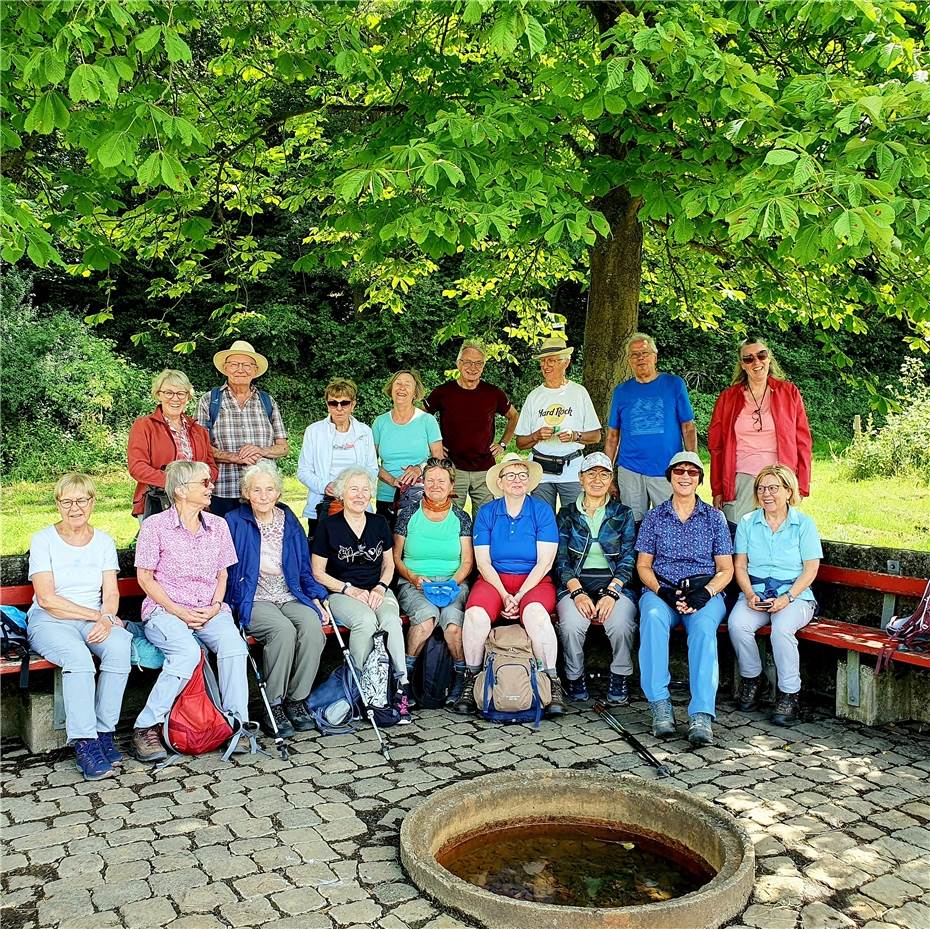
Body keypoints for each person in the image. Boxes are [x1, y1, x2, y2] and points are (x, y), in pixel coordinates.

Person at [130, 460, 250, 763]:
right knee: (185, 653)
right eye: (204, 482)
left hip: (209, 609)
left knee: (234, 647)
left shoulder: (218, 526)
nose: (211, 487)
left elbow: (222, 575)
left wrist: (213, 607)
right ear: (182, 491)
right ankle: (146, 726)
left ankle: (236, 724)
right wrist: (179, 611)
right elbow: (145, 578)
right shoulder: (154, 526)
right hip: (166, 611)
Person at [26, 474, 133, 780]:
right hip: (51, 621)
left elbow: (111, 593)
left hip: (93, 620)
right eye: (67, 501)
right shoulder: (43, 539)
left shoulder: (103, 542)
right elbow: (46, 598)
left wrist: (107, 616)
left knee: (119, 646)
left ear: (92, 502)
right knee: (78, 659)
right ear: (58, 504)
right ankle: (85, 743)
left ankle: (103, 732)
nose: (75, 508)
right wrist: (97, 615)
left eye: (81, 500)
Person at [635, 451, 734, 747]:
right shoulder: (655, 517)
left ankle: (702, 713)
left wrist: (706, 593)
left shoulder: (715, 518)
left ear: (699, 479)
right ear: (670, 477)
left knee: (704, 631)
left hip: (705, 592)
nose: (685, 477)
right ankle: (660, 705)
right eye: (679, 471)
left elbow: (726, 568)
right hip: (662, 590)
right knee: (652, 620)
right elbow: (643, 565)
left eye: (692, 472)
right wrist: (661, 591)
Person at [225, 461, 328, 739]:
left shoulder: (288, 519)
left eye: (269, 489)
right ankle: (273, 704)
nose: (263, 495)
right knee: (282, 631)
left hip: (289, 592)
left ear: (278, 493)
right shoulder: (234, 521)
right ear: (246, 492)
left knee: (311, 627)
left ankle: (296, 700)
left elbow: (304, 566)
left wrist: (316, 598)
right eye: (256, 490)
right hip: (253, 597)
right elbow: (223, 568)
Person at [455, 454, 562, 716]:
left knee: (537, 616)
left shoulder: (541, 511)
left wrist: (520, 595)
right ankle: (472, 680)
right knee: (475, 616)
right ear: (500, 482)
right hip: (494, 580)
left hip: (534, 580)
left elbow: (545, 563)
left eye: (522, 475)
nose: (517, 480)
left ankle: (552, 682)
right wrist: (504, 595)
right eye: (510, 475)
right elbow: (483, 561)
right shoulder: (487, 512)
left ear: (530, 482)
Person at [310, 466, 411, 719]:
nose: (359, 495)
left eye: (365, 489)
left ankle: (401, 686)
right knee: (365, 620)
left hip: (377, 589)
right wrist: (349, 589)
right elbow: (317, 573)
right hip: (340, 593)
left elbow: (389, 564)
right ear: (342, 493)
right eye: (353, 489)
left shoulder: (379, 523)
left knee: (390, 619)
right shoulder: (328, 526)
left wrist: (380, 587)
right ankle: (357, 689)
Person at [729, 465, 822, 726]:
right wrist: (748, 594)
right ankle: (752, 678)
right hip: (756, 593)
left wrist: (788, 597)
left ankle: (789, 694)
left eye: (773, 488)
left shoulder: (803, 523)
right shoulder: (748, 522)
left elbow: (811, 568)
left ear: (788, 491)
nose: (766, 494)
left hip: (796, 595)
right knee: (738, 625)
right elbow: (740, 566)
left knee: (781, 630)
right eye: (761, 489)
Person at [555, 453, 638, 706]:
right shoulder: (567, 514)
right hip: (576, 582)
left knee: (621, 622)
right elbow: (560, 559)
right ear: (580, 479)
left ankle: (620, 674)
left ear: (611, 479)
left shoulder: (622, 513)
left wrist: (613, 592)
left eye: (604, 474)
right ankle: (574, 676)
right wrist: (576, 591)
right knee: (571, 624)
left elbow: (628, 558)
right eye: (591, 473)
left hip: (614, 582)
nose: (597, 479)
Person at [393, 457, 474, 705]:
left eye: (442, 481)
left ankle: (460, 680)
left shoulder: (461, 517)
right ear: (423, 483)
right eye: (430, 480)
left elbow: (467, 562)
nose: (435, 485)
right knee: (427, 618)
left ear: (451, 486)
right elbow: (396, 557)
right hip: (415, 582)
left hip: (452, 582)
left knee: (452, 624)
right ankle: (403, 681)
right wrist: (414, 578)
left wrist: (453, 582)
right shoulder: (408, 514)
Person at [709, 336, 812, 528]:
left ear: (769, 358)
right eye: (748, 358)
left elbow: (803, 442)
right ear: (742, 365)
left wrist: (802, 484)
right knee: (739, 535)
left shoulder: (789, 392)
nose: (756, 362)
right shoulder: (727, 398)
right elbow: (716, 447)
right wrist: (717, 489)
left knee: (778, 534)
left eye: (761, 355)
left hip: (780, 476)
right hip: (740, 477)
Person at [604, 333, 697, 524]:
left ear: (655, 356)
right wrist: (607, 474)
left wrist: (692, 464)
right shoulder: (621, 391)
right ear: (629, 360)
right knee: (632, 526)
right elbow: (613, 436)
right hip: (630, 470)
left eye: (645, 353)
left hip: (667, 469)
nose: (640, 358)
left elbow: (688, 427)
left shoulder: (674, 384)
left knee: (672, 522)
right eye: (634, 354)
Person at [424, 340, 519, 514]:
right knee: (451, 518)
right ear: (458, 363)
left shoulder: (493, 393)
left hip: (485, 470)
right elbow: (419, 416)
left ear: (483, 366)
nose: (472, 367)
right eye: (467, 362)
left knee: (485, 520)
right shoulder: (443, 392)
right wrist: (432, 445)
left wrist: (503, 444)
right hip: (452, 469)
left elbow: (514, 416)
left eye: (478, 363)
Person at [196, 340, 289, 518]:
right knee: (224, 543)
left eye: (247, 365)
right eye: (235, 364)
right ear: (225, 368)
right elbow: (201, 447)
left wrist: (261, 451)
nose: (241, 369)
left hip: (262, 493)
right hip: (223, 490)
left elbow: (283, 448)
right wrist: (235, 457)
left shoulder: (267, 401)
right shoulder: (209, 400)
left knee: (261, 544)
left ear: (255, 371)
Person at [515, 337, 601, 512]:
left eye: (551, 361)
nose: (545, 366)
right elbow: (520, 443)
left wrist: (575, 436)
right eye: (543, 361)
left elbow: (596, 436)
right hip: (541, 471)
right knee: (543, 522)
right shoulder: (534, 396)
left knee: (575, 521)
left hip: (572, 469)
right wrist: (536, 436)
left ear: (566, 362)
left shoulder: (579, 393)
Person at [128, 369, 217, 520]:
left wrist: (198, 485)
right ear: (158, 394)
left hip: (196, 504)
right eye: (169, 392)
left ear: (188, 397)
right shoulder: (143, 425)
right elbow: (137, 467)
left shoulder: (199, 431)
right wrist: (177, 484)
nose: (175, 398)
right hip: (157, 502)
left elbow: (211, 467)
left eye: (181, 393)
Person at [296, 378, 378, 538]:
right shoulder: (313, 431)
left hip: (357, 503)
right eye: (333, 403)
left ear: (353, 404)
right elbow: (303, 471)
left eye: (344, 403)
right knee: (321, 554)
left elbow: (372, 469)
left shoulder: (364, 431)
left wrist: (356, 490)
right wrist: (324, 486)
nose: (339, 408)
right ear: (327, 405)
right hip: (323, 502)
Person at [372, 370, 443, 524]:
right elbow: (370, 462)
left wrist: (419, 469)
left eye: (407, 384)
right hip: (386, 497)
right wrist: (391, 480)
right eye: (398, 383)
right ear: (391, 389)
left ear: (415, 393)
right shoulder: (380, 422)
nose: (401, 388)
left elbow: (439, 458)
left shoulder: (427, 421)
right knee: (387, 546)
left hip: (419, 494)